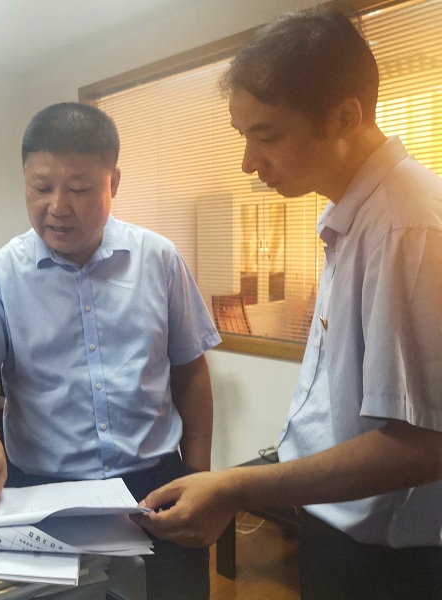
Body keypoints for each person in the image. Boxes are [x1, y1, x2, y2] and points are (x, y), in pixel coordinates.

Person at [132, 7, 442, 599]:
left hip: (385, 561)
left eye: (266, 135)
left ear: (344, 117)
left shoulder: (406, 227)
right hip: (334, 526)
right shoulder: (354, 216)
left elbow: (422, 446)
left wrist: (236, 487)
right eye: (243, 136)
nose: (248, 162)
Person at [0, 102, 221, 598]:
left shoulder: (158, 258)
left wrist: (198, 474)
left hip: (154, 485)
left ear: (114, 181)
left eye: (78, 189)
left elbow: (190, 370)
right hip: (42, 495)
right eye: (41, 188)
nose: (57, 206)